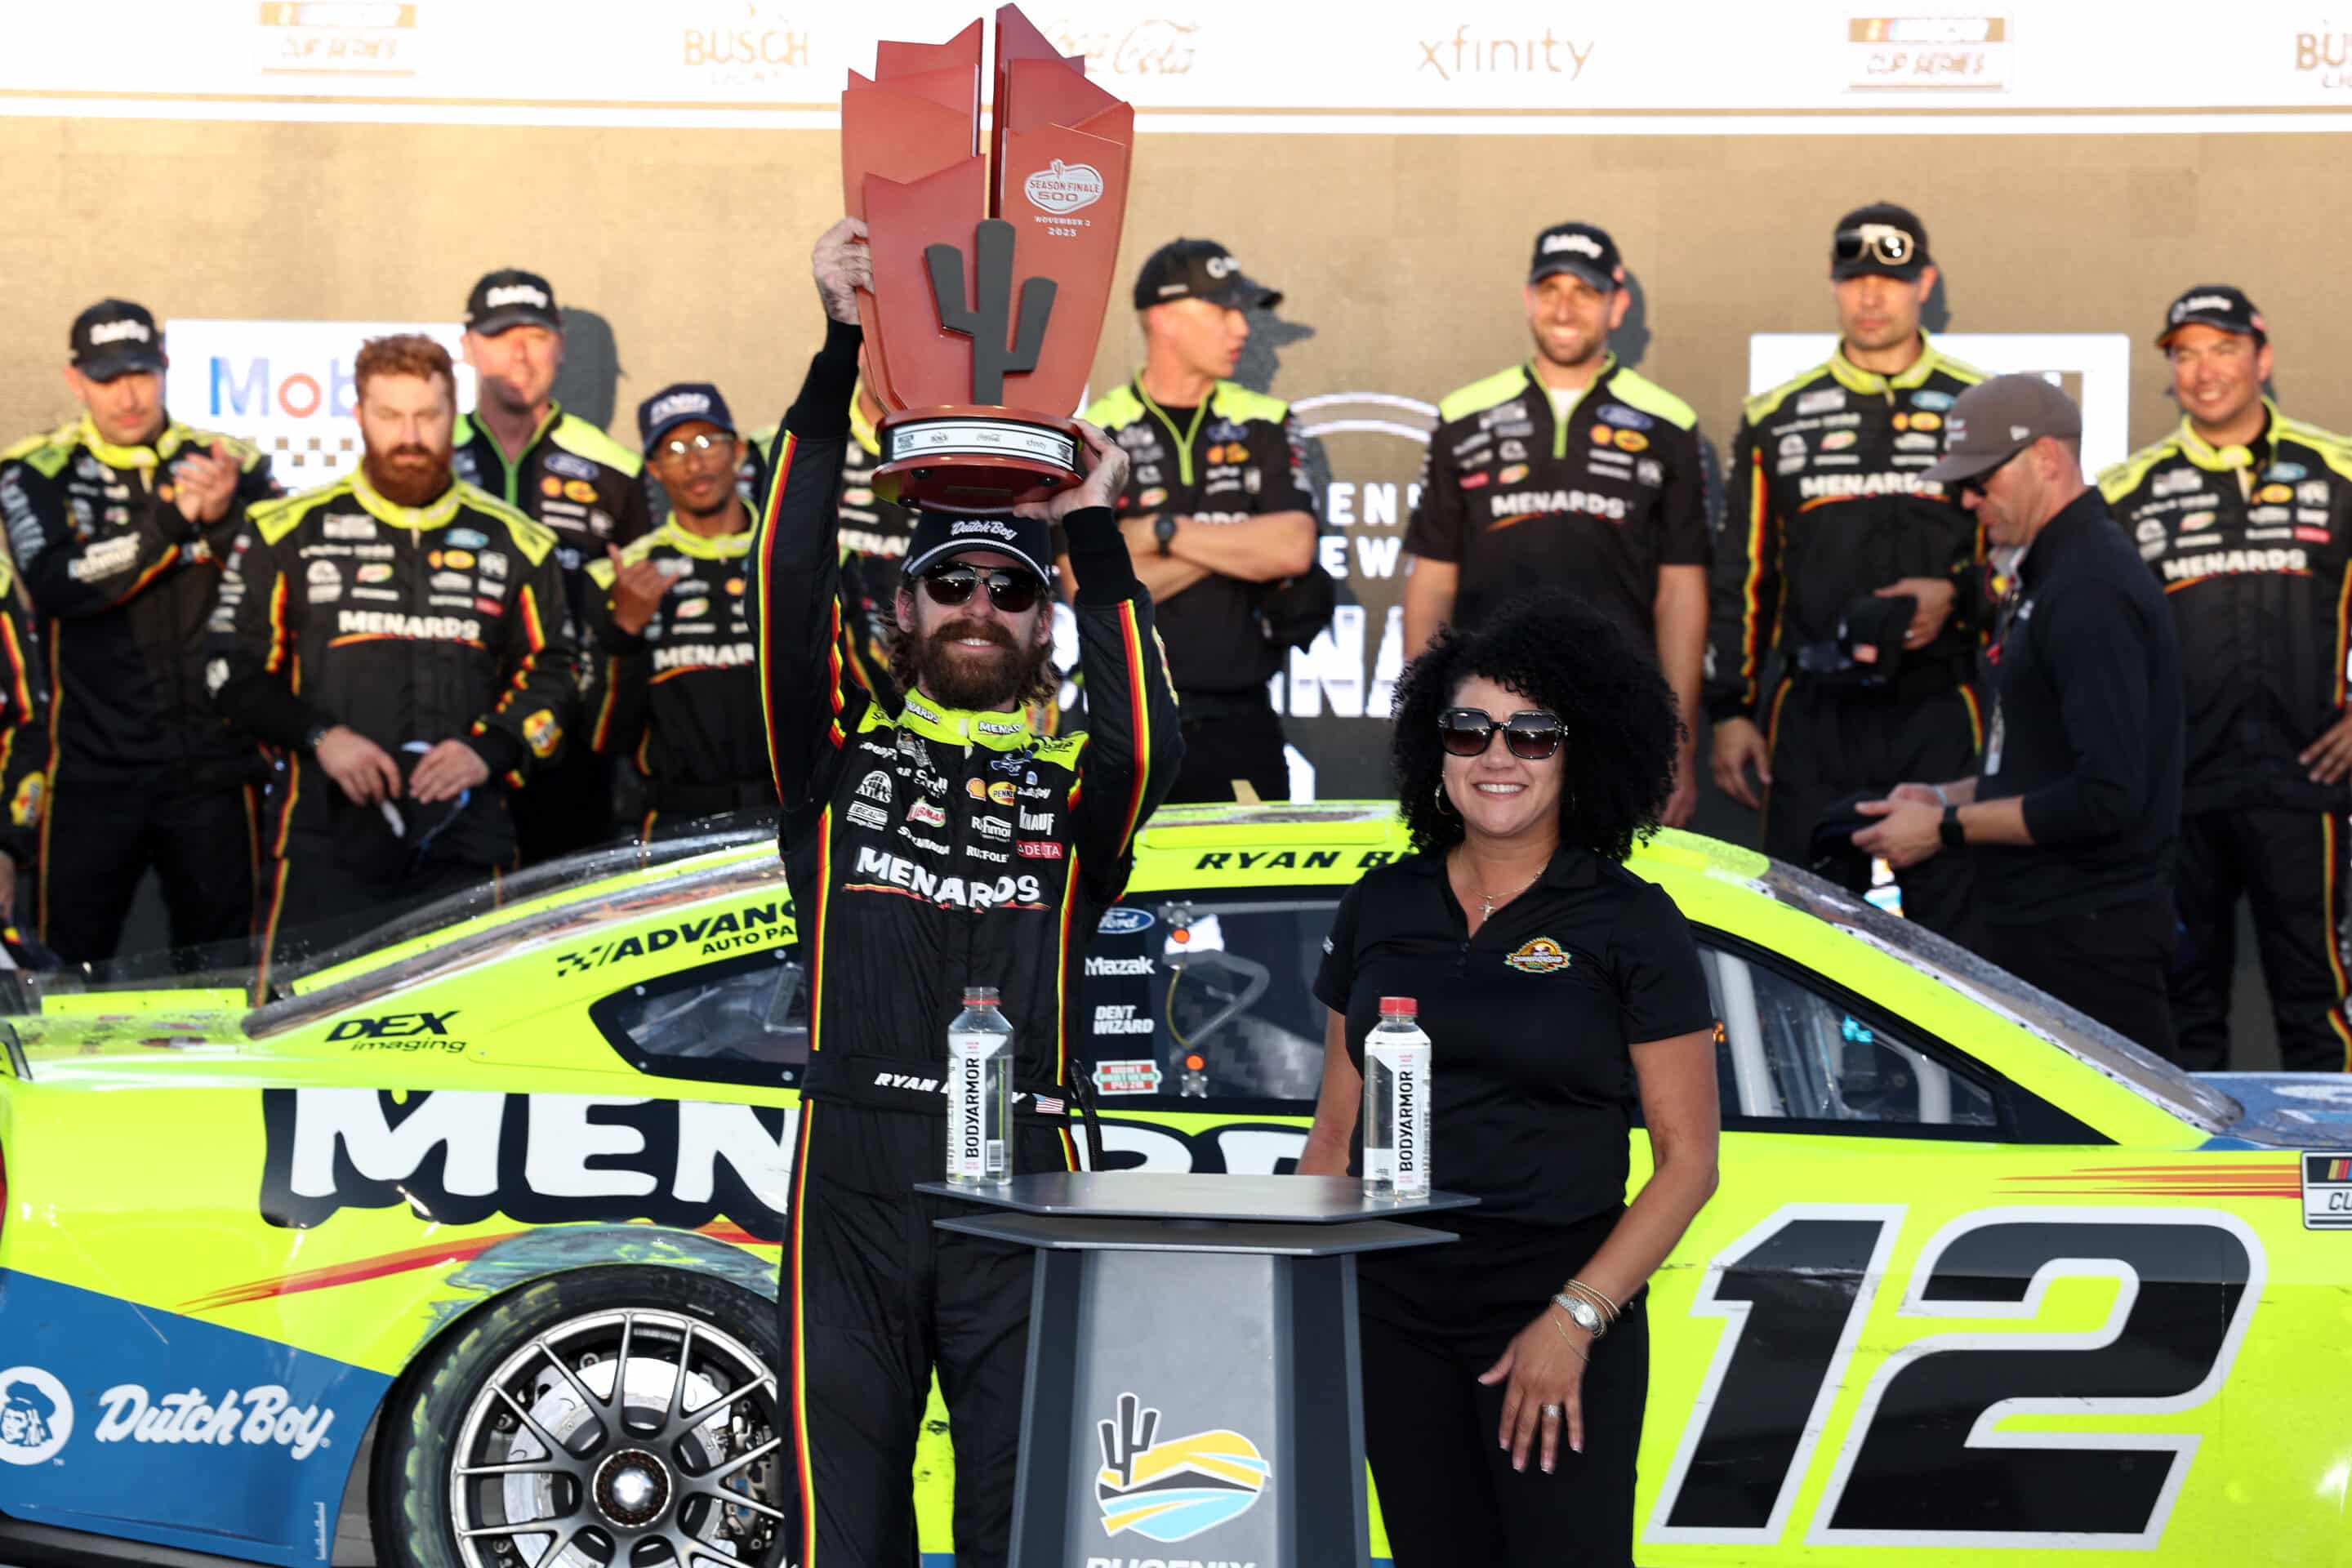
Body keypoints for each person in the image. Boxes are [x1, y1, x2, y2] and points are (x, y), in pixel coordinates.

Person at [760, 219, 1183, 1567]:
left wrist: (1093, 529)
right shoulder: (838, 764)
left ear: (1044, 619)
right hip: (856, 1172)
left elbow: (1154, 743)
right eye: (951, 583)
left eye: (1011, 587)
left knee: (1024, 1525)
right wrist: (837, 352)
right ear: (904, 610)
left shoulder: (1074, 788)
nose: (980, 606)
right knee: (843, 1530)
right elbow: (783, 587)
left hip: (1028, 1176)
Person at [1298, 590, 1718, 1566]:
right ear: (1434, 749)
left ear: (1580, 752)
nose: (1498, 756)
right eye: (1470, 729)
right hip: (1392, 1310)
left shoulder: (1631, 920)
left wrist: (1573, 1321)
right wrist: (1310, 1317)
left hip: (1558, 1301)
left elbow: (1689, 1163)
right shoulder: (1380, 905)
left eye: (1533, 734)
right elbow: (1333, 1138)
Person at [211, 333, 575, 969]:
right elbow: (229, 674)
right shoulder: (285, 530)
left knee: (474, 1022)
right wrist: (323, 737)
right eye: (390, 416)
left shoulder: (518, 541)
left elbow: (561, 671)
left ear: (454, 414)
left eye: (428, 415)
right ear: (358, 416)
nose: (410, 436)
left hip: (465, 844)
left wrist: (489, 749)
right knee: (308, 1024)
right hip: (324, 841)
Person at [1855, 376, 2185, 1055]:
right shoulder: (2047, 575)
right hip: (2049, 928)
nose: (1968, 501)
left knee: (2109, 1133)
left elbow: (2106, 797)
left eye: (1981, 481)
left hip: (2090, 941)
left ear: (2046, 458)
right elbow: (2042, 764)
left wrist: (1944, 828)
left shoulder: (2090, 585)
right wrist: (1944, 796)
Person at [1706, 203, 1988, 934]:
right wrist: (1731, 709)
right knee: (1801, 927)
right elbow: (1746, 573)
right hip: (1815, 709)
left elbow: (2018, 560)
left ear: (1924, 283)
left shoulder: (1978, 408)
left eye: (1890, 280)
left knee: (1958, 932)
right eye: (1855, 278)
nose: (1871, 296)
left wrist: (1958, 595)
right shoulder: (1778, 415)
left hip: (1939, 702)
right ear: (1834, 283)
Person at [2100, 287, 2352, 1071]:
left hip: (2306, 786)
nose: (2204, 371)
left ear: (2262, 358)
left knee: (2320, 1003)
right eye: (2186, 354)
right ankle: (2196, 1154)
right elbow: (2091, 638)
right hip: (2181, 793)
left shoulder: (2339, 471)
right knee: (2186, 1011)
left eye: (2224, 349)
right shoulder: (2126, 493)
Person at [0, 298, 280, 966]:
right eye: (107, 379)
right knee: (63, 970)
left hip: (215, 769)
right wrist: (172, 521)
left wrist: (221, 519)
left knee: (224, 972)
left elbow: (279, 579)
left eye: (140, 374)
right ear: (76, 381)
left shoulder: (231, 462)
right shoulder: (34, 470)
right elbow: (59, 584)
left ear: (165, 368)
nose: (127, 397)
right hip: (89, 774)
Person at [1402, 221, 1711, 825]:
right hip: (1487, 718)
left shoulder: (1669, 423)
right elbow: (1432, 581)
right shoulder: (1464, 416)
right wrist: (1421, 718)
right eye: (1550, 290)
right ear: (1528, 299)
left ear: (1617, 306)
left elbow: (1681, 592)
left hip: (1616, 714)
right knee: (1484, 872)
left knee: (1609, 879)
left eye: (1585, 292)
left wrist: (1680, 739)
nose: (1564, 309)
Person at [1076, 237, 1316, 804]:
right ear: (1163, 317)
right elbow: (1084, 585)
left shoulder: (1267, 419)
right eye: (1223, 310)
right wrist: (1239, 547)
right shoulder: (1097, 431)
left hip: (1241, 719)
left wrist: (1160, 534)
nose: (1242, 328)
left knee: (1252, 867)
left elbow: (1291, 548)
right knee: (1118, 864)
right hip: (1124, 716)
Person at [452, 268, 650, 864]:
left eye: (535, 335)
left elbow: (638, 623)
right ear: (468, 346)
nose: (520, 354)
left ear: (560, 345)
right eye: (499, 335)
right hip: (451, 737)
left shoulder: (616, 469)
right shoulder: (431, 455)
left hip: (570, 744)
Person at [581, 383, 768, 840]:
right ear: (654, 469)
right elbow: (604, 736)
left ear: (738, 451)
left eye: (706, 442)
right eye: (674, 450)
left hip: (793, 815)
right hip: (675, 823)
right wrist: (624, 630)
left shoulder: (796, 558)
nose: (694, 463)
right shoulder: (618, 576)